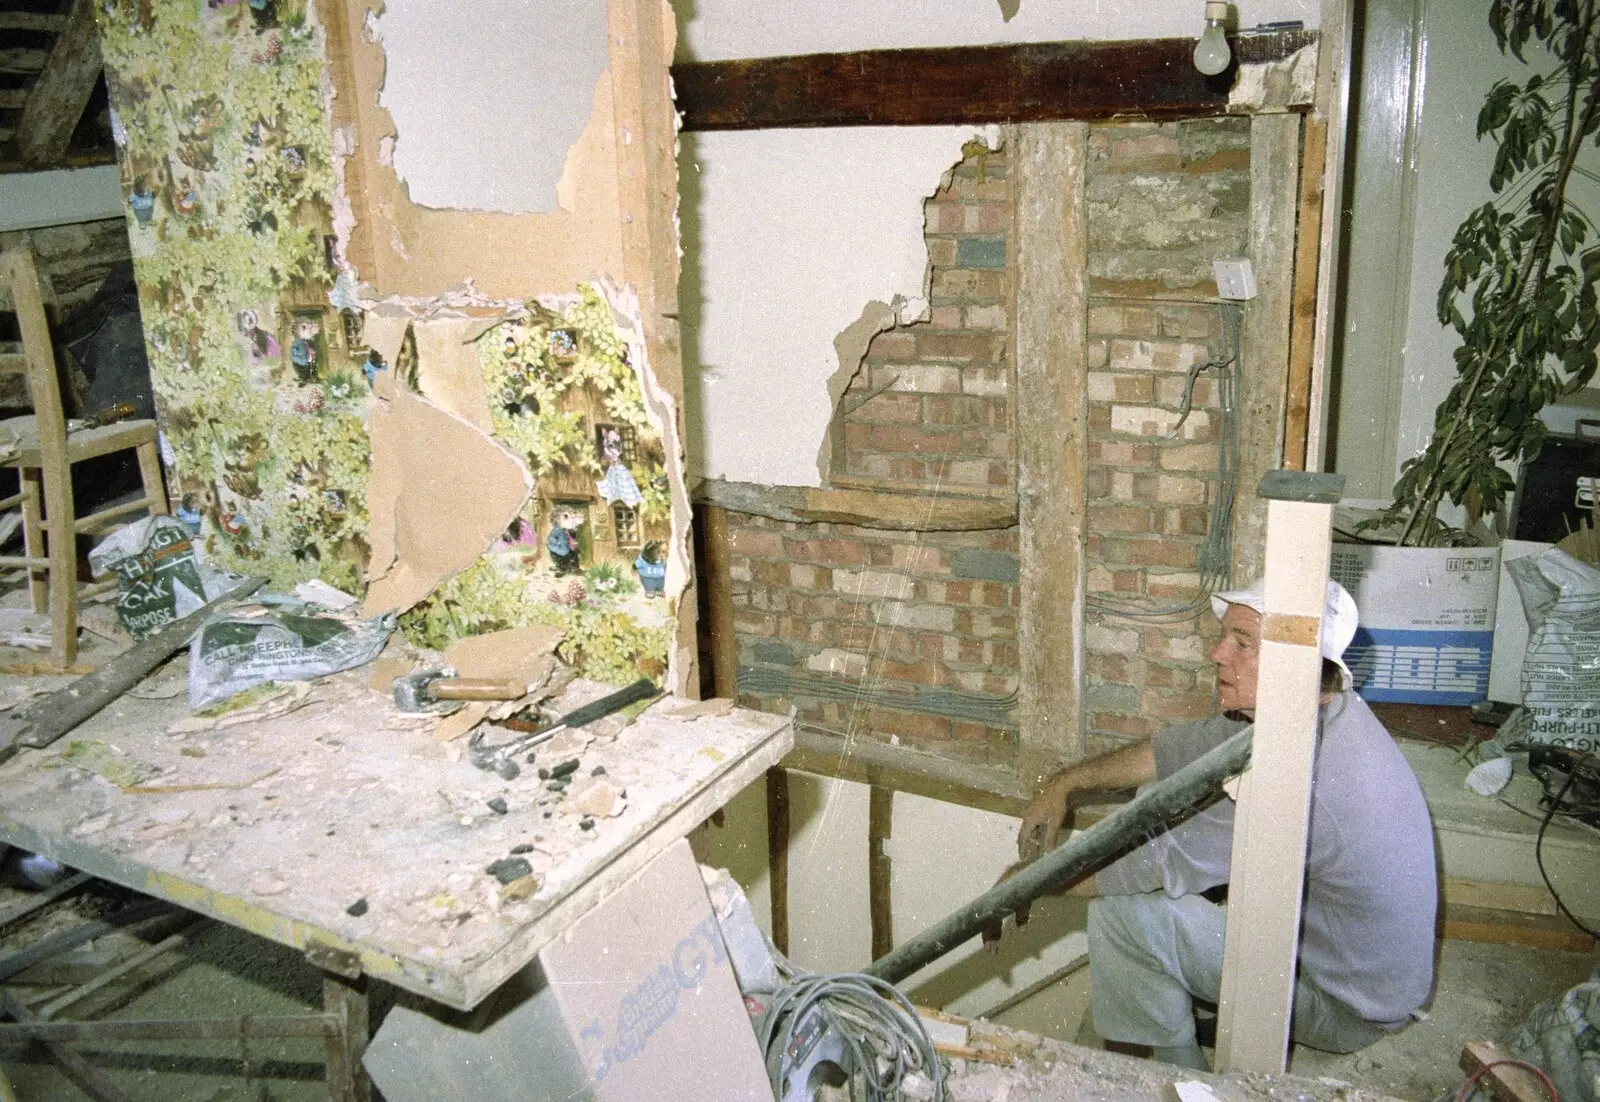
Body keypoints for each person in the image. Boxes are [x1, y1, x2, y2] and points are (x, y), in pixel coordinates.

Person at [1015, 579, 1436, 1070]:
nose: (1217, 653)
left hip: (1347, 1010)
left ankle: (1173, 1080)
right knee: (1155, 810)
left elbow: (1149, 865)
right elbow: (1178, 750)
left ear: (1297, 665)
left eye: (1242, 643)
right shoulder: (1322, 710)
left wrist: (1024, 882)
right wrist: (1065, 783)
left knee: (1121, 916)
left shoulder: (1299, 775)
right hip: (1360, 977)